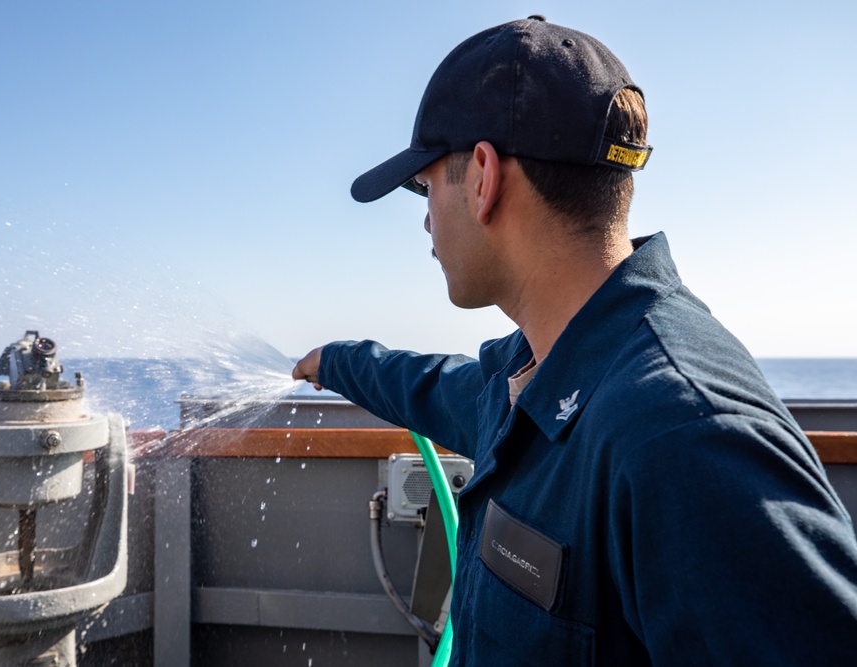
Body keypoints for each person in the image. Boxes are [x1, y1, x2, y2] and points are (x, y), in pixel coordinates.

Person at [292, 15, 857, 666]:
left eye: (425, 186)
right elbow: (421, 384)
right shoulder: (527, 373)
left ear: (482, 177)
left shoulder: (682, 434)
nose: (425, 217)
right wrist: (328, 361)